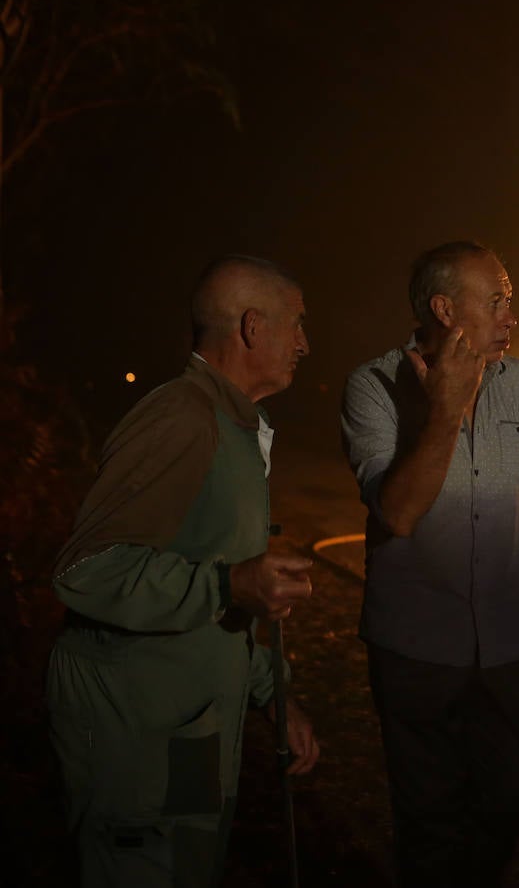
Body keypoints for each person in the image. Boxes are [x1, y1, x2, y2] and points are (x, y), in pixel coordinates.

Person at [45, 254, 321, 887]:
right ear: (253, 327)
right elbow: (85, 569)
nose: (306, 343)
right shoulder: (181, 418)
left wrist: (272, 694)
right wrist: (231, 583)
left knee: (191, 868)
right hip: (135, 732)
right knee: (140, 872)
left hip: (193, 724)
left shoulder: (234, 425)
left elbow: (215, 584)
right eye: (297, 324)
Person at [341, 240, 519, 886]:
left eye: (510, 301)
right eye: (496, 301)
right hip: (415, 647)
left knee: (510, 798)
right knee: (429, 815)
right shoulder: (373, 387)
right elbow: (398, 514)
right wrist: (447, 409)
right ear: (445, 309)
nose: (511, 317)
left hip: (513, 643)